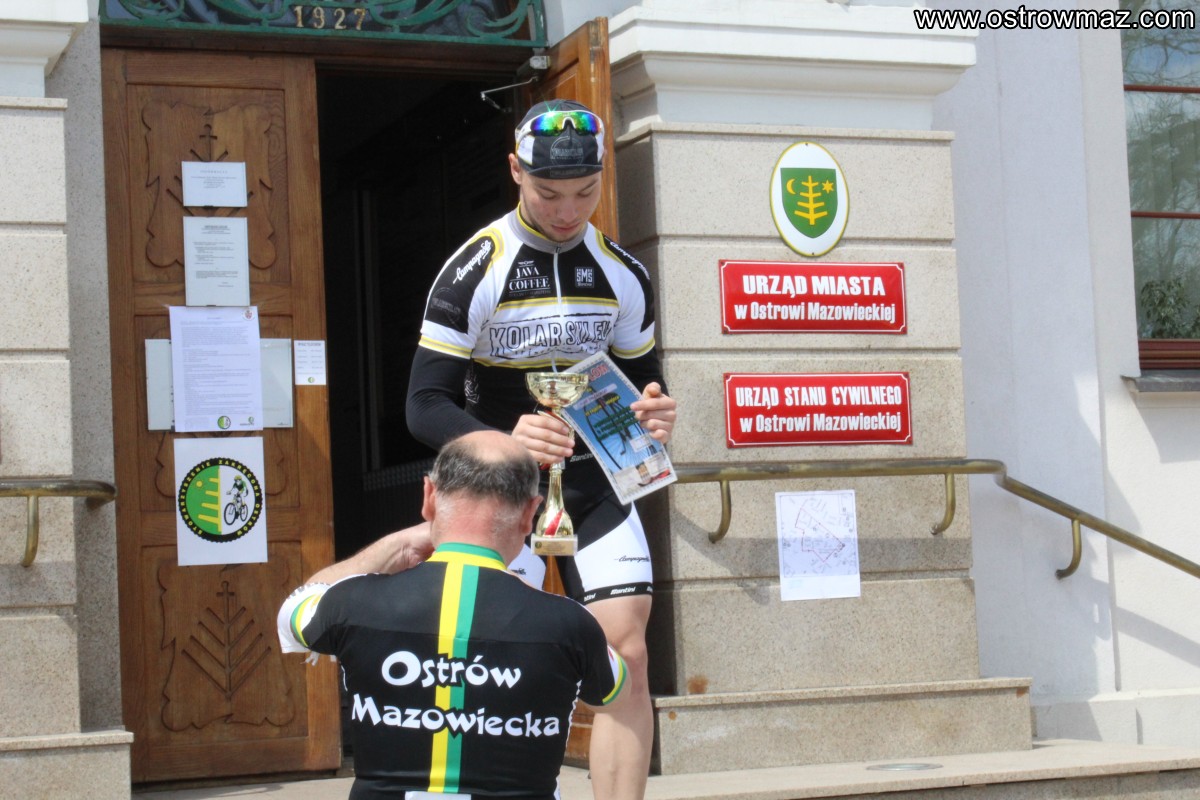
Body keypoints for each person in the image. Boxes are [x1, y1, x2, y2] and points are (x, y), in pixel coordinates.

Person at [406, 99, 676, 800]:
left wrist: (655, 412)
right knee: (489, 662)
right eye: (549, 193)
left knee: (626, 653)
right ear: (514, 171)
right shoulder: (475, 267)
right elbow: (423, 405)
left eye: (586, 192)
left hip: (593, 485)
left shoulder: (621, 271)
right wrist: (502, 442)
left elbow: (645, 385)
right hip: (497, 493)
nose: (567, 211)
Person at [277, 431, 627, 800]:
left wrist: (395, 545)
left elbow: (292, 613)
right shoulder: (569, 624)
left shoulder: (353, 602)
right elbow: (615, 691)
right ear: (530, 514)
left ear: (428, 497)